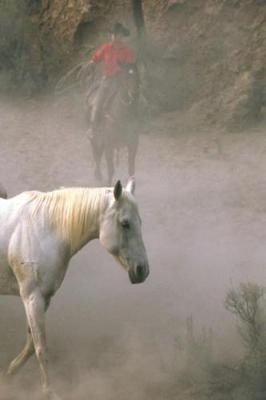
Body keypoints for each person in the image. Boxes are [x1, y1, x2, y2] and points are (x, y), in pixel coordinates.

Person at [87, 22, 135, 140]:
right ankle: (93, 129)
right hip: (107, 81)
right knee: (97, 103)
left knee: (136, 99)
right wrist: (92, 62)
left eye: (117, 34)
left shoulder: (127, 51)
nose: (115, 37)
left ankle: (137, 127)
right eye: (113, 34)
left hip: (122, 81)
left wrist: (127, 73)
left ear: (122, 36)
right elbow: (97, 57)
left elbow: (130, 66)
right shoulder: (106, 48)